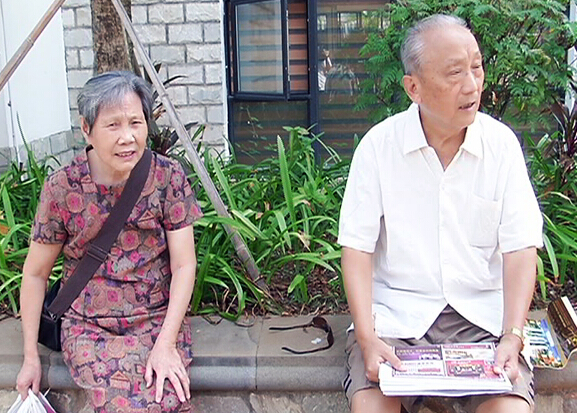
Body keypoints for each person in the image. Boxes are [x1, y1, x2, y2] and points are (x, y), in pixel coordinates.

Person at [338, 14, 543, 413]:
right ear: (413, 87)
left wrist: (513, 335)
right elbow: (357, 250)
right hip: (396, 319)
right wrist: (367, 338)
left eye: (476, 67)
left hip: (484, 322)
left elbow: (521, 248)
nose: (472, 85)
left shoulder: (501, 146)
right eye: (454, 73)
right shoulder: (379, 148)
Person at [16, 71, 202, 413]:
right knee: (121, 404)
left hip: (156, 320)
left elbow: (184, 263)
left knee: (168, 394)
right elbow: (35, 273)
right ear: (86, 129)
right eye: (113, 125)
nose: (127, 137)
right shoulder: (62, 188)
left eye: (136, 123)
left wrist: (166, 343)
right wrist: (30, 357)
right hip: (89, 328)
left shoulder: (167, 176)